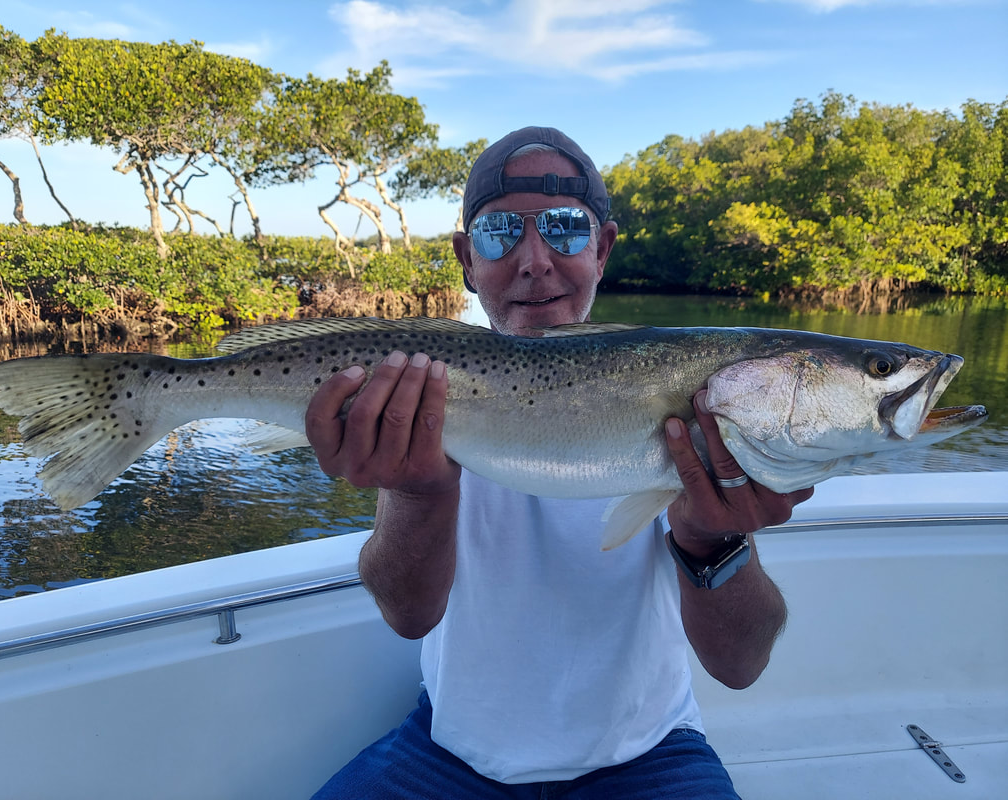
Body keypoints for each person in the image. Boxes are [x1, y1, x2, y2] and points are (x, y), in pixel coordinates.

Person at [307, 126, 814, 798]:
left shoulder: (698, 400)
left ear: (602, 249)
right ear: (466, 259)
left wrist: (709, 540)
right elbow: (408, 616)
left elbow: (740, 664)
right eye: (499, 234)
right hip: (446, 751)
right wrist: (418, 494)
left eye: (566, 229)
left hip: (649, 755)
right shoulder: (423, 389)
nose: (534, 259)